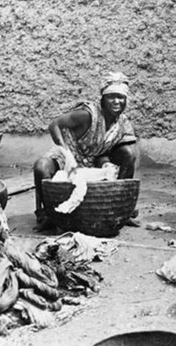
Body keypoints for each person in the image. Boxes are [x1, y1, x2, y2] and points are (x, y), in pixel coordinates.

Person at [32, 71, 139, 229]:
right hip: (69, 157)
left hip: (93, 162)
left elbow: (123, 152)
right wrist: (67, 155)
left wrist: (107, 163)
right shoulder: (88, 114)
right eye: (111, 97)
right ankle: (48, 214)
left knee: (129, 153)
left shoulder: (122, 123)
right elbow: (55, 125)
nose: (117, 101)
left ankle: (121, 210)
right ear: (102, 99)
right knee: (41, 166)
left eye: (121, 97)